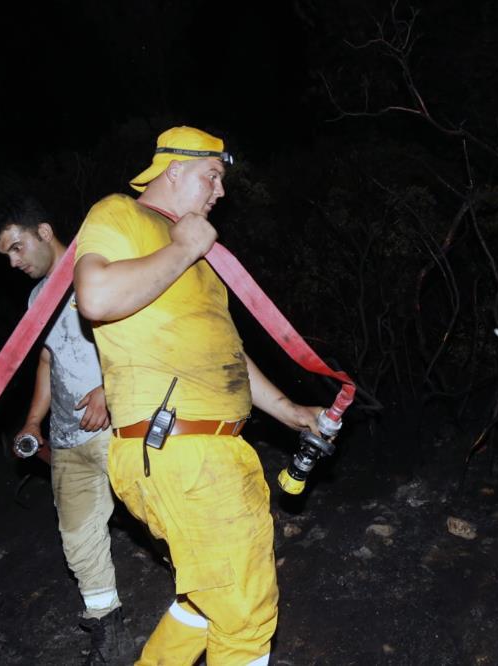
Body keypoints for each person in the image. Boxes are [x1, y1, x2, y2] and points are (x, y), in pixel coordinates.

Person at [73, 126, 326, 666]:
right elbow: (94, 296)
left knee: (207, 599)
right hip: (179, 449)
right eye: (212, 176)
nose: (221, 192)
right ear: (174, 170)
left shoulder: (200, 259)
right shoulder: (120, 213)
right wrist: (185, 248)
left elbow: (224, 353)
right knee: (246, 617)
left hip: (220, 449)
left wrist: (290, 411)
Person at [0, 194, 137, 665]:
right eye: (6, 254)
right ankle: (109, 634)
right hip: (69, 438)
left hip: (121, 425)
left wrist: (110, 389)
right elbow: (48, 358)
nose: (13, 262)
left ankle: (208, 598)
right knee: (78, 537)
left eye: (16, 247)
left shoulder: (98, 268)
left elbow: (141, 330)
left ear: (44, 233)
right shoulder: (36, 299)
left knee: (158, 518)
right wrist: (33, 420)